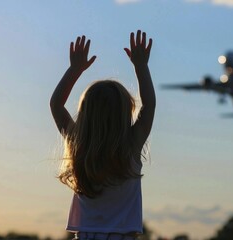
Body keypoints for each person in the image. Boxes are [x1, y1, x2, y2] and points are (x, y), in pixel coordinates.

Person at [50, 30, 155, 240]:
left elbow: (56, 104)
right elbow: (149, 105)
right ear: (125, 113)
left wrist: (74, 69)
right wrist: (141, 66)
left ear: (86, 113)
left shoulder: (79, 146)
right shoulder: (130, 147)